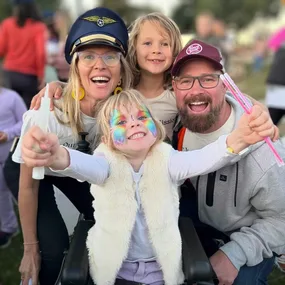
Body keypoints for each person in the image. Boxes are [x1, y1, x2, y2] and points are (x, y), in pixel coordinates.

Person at [20, 89, 275, 285]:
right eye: (121, 122)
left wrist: (236, 140)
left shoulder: (168, 159)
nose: (134, 123)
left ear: (155, 128)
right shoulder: (104, 162)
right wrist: (57, 155)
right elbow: (79, 164)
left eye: (141, 117)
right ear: (109, 139)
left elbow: (206, 157)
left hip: (162, 269)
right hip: (113, 269)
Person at [12, 7, 132, 285]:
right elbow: (28, 186)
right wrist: (29, 249)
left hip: (73, 167)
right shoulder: (48, 114)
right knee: (50, 250)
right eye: (88, 56)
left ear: (121, 68)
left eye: (110, 56)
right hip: (33, 174)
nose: (100, 65)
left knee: (105, 220)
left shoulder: (125, 112)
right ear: (75, 66)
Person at [171, 39, 285, 285]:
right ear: (174, 87)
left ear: (225, 86)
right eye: (185, 80)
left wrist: (235, 253)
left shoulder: (262, 152)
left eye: (208, 79)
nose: (195, 90)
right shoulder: (178, 124)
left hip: (248, 233)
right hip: (199, 217)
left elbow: (282, 217)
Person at [31, 12, 183, 141]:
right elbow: (90, 87)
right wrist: (59, 85)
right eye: (148, 43)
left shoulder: (177, 95)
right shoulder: (120, 87)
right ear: (133, 48)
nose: (156, 50)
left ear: (175, 48)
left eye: (165, 44)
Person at [0, 0, 47, 107]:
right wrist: (41, 75)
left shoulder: (7, 24)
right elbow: (40, 54)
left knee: (10, 107)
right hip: (29, 76)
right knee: (30, 108)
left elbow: (1, 49)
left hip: (9, 74)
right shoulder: (38, 27)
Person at [0, 86, 27, 248]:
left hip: (13, 155)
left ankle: (34, 222)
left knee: (19, 190)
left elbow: (25, 121)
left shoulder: (11, 97)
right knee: (1, 191)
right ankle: (8, 227)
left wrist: (8, 133)